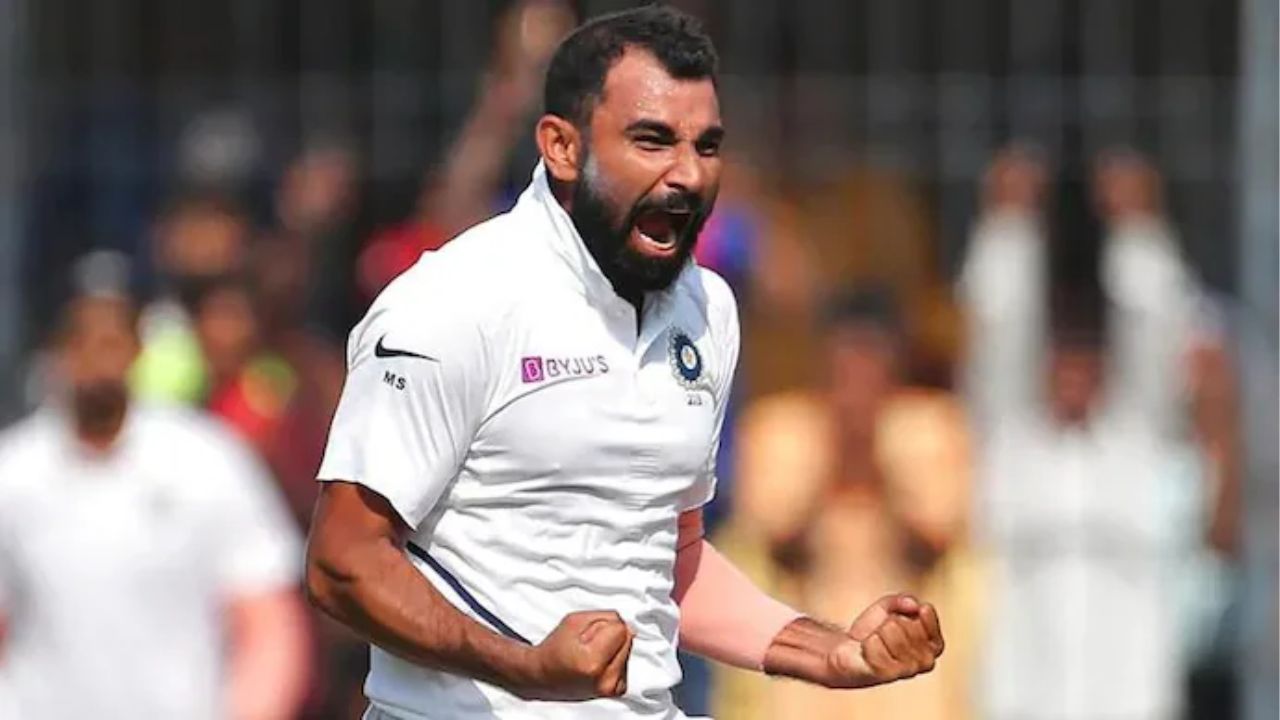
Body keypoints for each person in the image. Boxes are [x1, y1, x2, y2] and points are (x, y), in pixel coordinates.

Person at [304, 7, 944, 720]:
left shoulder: (706, 309)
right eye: (652, 141)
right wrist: (524, 667)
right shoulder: (455, 301)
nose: (688, 175)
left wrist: (828, 651)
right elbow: (343, 563)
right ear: (561, 147)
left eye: (707, 146)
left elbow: (666, 557)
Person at [0, 284, 310, 720]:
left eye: (111, 342)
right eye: (81, 341)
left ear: (137, 350)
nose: (97, 360)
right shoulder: (14, 472)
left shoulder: (207, 460)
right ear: (58, 352)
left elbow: (267, 619)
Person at [715, 288, 974, 720]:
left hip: (908, 687)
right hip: (802, 679)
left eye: (870, 366)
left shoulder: (933, 427)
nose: (858, 384)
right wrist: (837, 451)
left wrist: (875, 458)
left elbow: (932, 549)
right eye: (846, 367)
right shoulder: (777, 429)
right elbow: (778, 550)